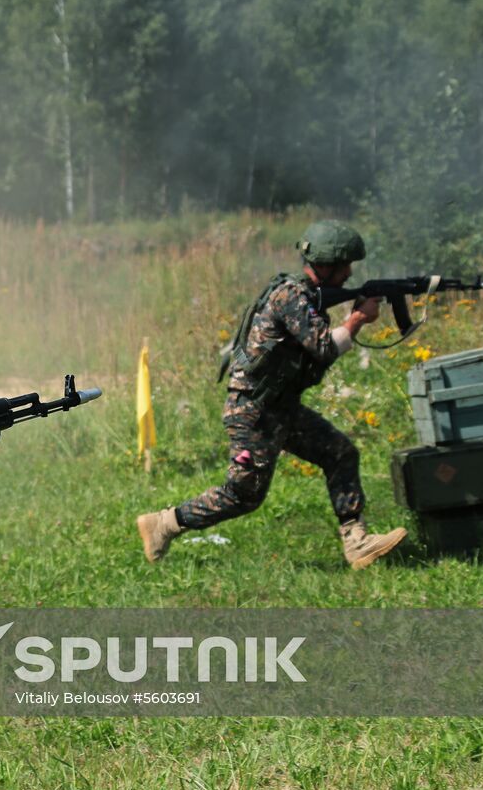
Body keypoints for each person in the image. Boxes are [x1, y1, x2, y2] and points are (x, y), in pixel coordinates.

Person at [136, 220, 406, 569]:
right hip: (255, 412)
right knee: (244, 495)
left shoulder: (305, 296)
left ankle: (357, 542)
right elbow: (323, 348)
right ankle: (163, 524)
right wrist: (356, 320)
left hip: (279, 407)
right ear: (327, 264)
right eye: (345, 266)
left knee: (340, 453)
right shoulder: (292, 297)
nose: (349, 273)